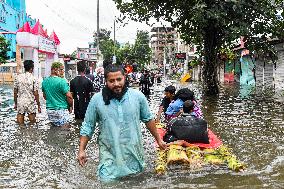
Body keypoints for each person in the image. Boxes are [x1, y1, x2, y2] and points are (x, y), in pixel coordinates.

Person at [77, 64, 167, 181]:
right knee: (106, 182)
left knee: (135, 181)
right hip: (108, 156)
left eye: (119, 79)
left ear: (125, 78)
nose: (116, 84)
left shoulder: (138, 97)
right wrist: (81, 150)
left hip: (133, 154)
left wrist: (158, 140)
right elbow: (88, 125)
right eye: (111, 81)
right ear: (106, 81)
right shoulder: (97, 100)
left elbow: (148, 119)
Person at [42, 62, 73, 127]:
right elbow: (69, 96)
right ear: (55, 70)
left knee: (54, 130)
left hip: (50, 110)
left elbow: (45, 97)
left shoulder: (44, 81)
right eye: (61, 70)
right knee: (65, 131)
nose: (62, 72)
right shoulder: (62, 81)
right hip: (61, 110)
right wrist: (70, 106)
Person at [13, 60, 41, 124]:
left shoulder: (17, 77)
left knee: (20, 124)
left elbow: (15, 92)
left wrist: (15, 103)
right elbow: (36, 93)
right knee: (33, 123)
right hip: (30, 102)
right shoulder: (34, 78)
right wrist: (39, 105)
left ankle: (21, 132)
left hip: (20, 102)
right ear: (31, 68)